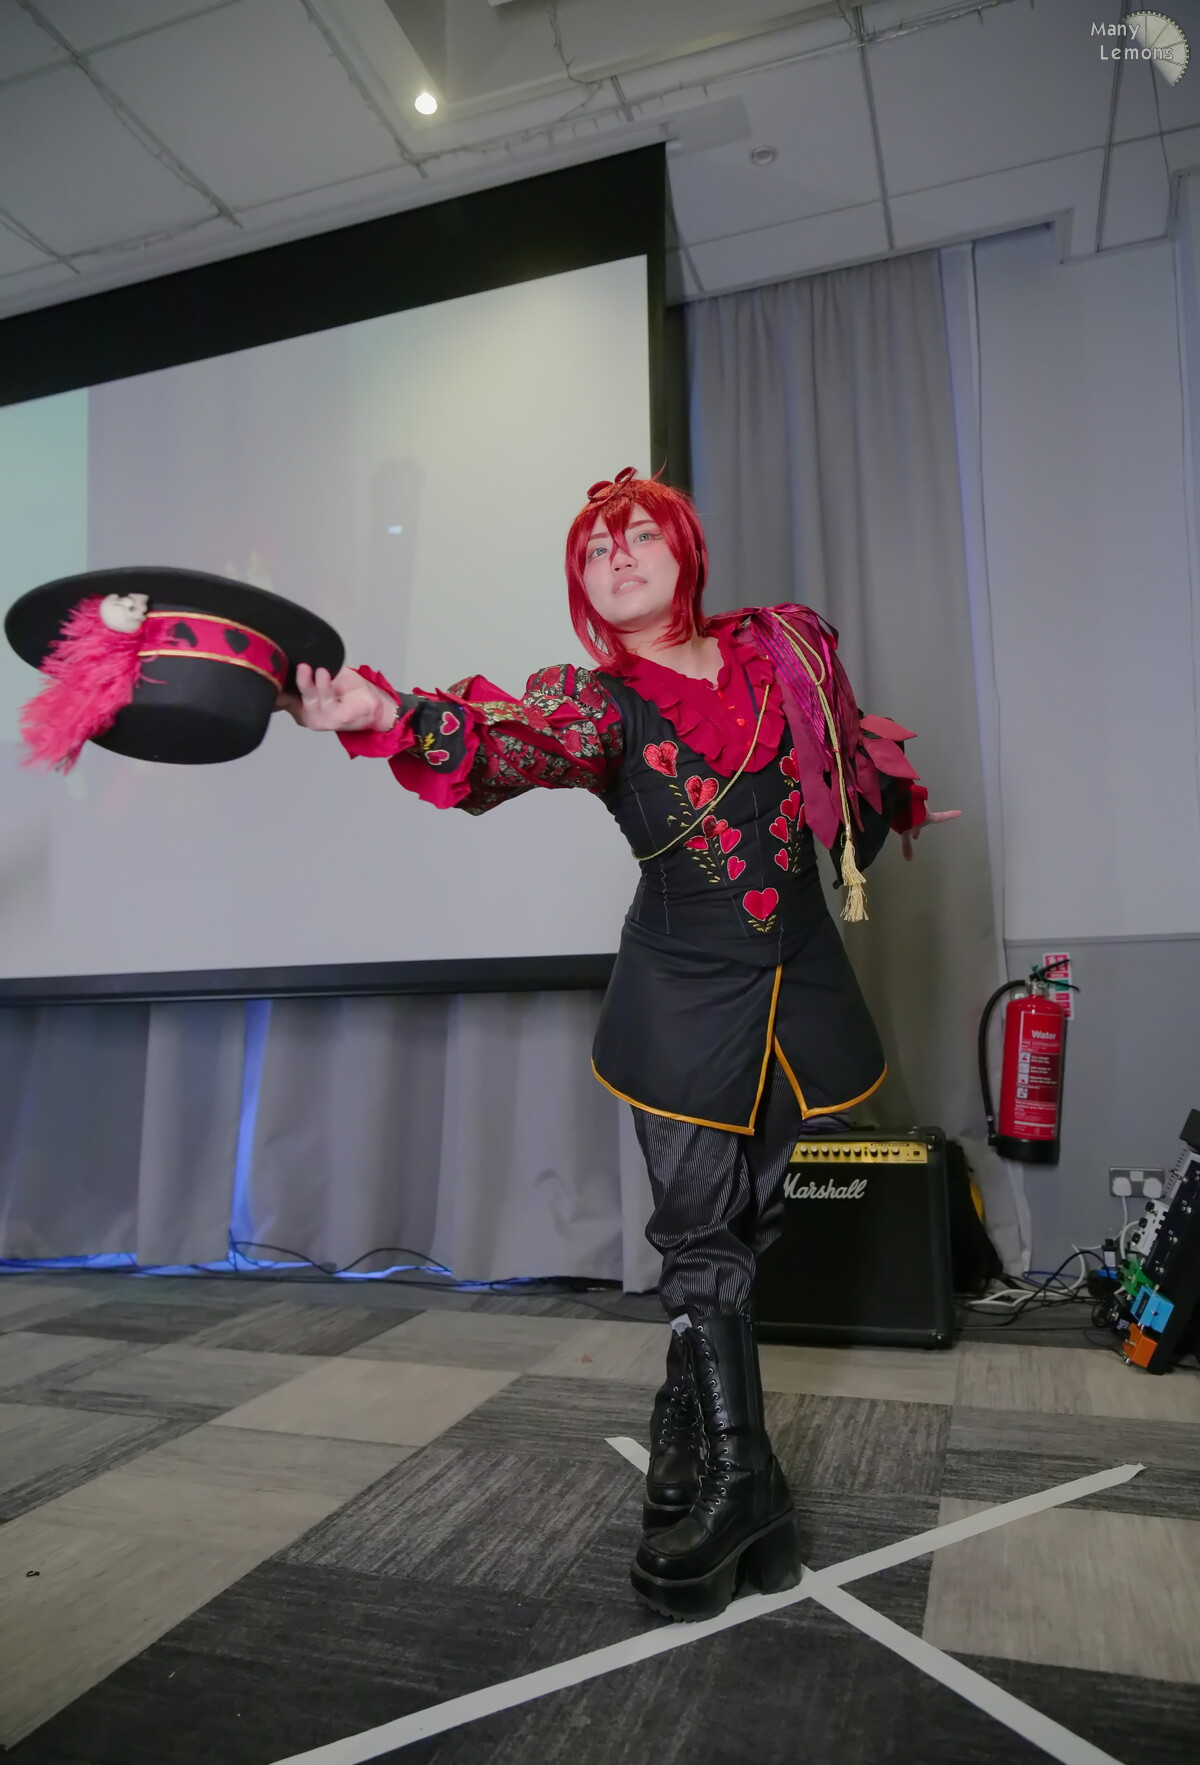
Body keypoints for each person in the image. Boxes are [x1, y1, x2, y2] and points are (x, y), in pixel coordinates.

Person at [278, 468, 959, 1622]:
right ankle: (746, 1485)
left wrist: (890, 799)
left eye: (640, 535)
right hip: (680, 1004)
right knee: (701, 1236)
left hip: (798, 992)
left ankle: (682, 1431)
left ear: (686, 551)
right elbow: (516, 739)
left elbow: (838, 749)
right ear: (584, 588)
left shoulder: (780, 649)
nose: (620, 557)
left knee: (754, 1228)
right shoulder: (597, 703)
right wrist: (388, 716)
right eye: (597, 550)